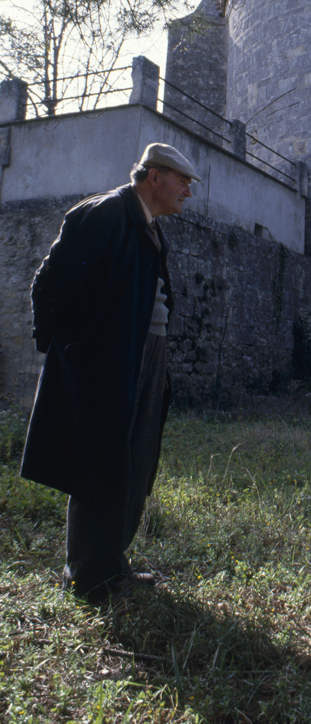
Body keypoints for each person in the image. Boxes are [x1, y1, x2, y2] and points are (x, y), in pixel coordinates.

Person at [20, 142, 200, 601]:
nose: (188, 192)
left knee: (134, 458)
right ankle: (86, 576)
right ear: (153, 177)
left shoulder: (151, 228)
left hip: (144, 354)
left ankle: (110, 565)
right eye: (183, 181)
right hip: (106, 362)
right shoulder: (103, 214)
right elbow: (50, 285)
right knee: (98, 463)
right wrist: (74, 355)